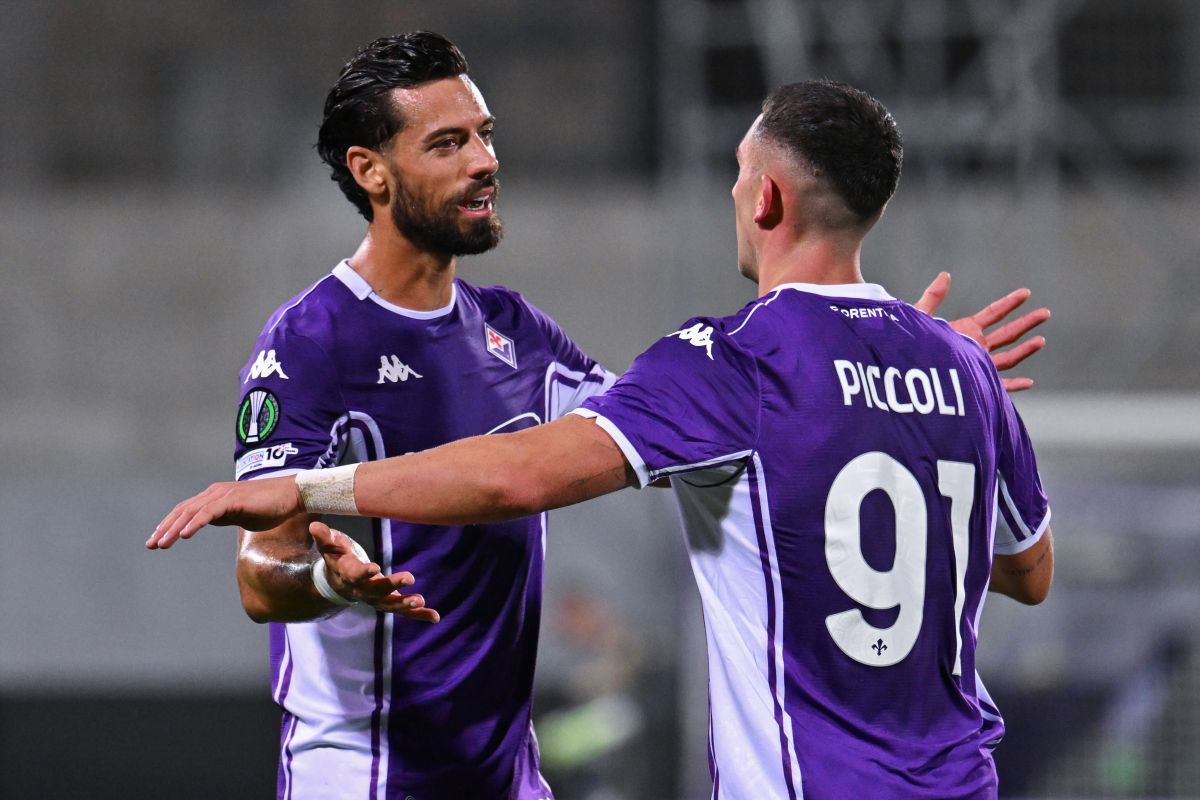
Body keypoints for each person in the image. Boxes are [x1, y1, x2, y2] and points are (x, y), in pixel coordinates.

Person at [153, 77, 1052, 799]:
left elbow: (524, 474)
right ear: (371, 171)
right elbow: (1027, 573)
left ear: (767, 197)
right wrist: (893, 375)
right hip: (371, 772)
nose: (484, 160)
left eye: (484, 136)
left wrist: (309, 487)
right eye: (450, 142)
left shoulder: (712, 363)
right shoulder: (963, 372)